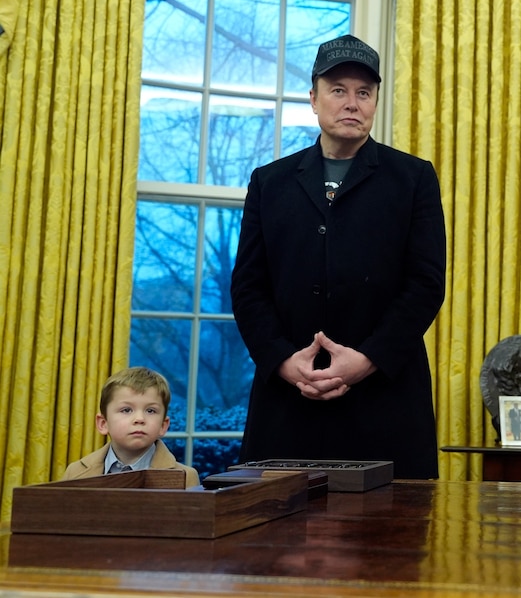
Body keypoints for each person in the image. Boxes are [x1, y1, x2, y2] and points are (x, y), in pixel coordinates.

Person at [230, 34, 446, 479]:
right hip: (288, 401)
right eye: (338, 90)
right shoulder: (270, 182)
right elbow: (248, 287)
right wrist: (284, 362)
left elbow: (425, 285)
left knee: (394, 522)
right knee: (274, 522)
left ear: (375, 102)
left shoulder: (413, 178)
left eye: (364, 93)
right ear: (313, 98)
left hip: (385, 399)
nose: (352, 103)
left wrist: (366, 360)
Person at [62, 367, 200, 487]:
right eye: (126, 410)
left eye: (150, 411)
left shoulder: (187, 477)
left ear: (163, 426)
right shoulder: (75, 472)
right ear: (103, 423)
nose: (139, 419)